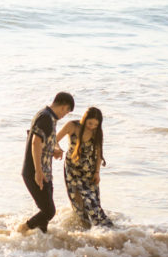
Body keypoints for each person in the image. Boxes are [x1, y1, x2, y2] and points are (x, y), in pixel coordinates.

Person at [19, 92, 75, 233]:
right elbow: (35, 142)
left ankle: (42, 244)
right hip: (34, 171)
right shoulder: (45, 118)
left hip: (43, 171)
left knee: (45, 214)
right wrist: (38, 171)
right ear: (63, 107)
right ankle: (22, 230)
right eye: (67, 111)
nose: (65, 115)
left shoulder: (47, 116)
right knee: (49, 211)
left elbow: (42, 140)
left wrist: (54, 150)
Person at [57, 106, 113, 228]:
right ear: (84, 119)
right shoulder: (72, 126)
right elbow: (55, 140)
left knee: (93, 204)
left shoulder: (97, 132)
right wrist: (57, 149)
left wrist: (97, 173)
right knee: (78, 204)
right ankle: (84, 234)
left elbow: (99, 155)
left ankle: (109, 231)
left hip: (89, 172)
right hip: (71, 170)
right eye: (90, 123)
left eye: (95, 125)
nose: (92, 126)